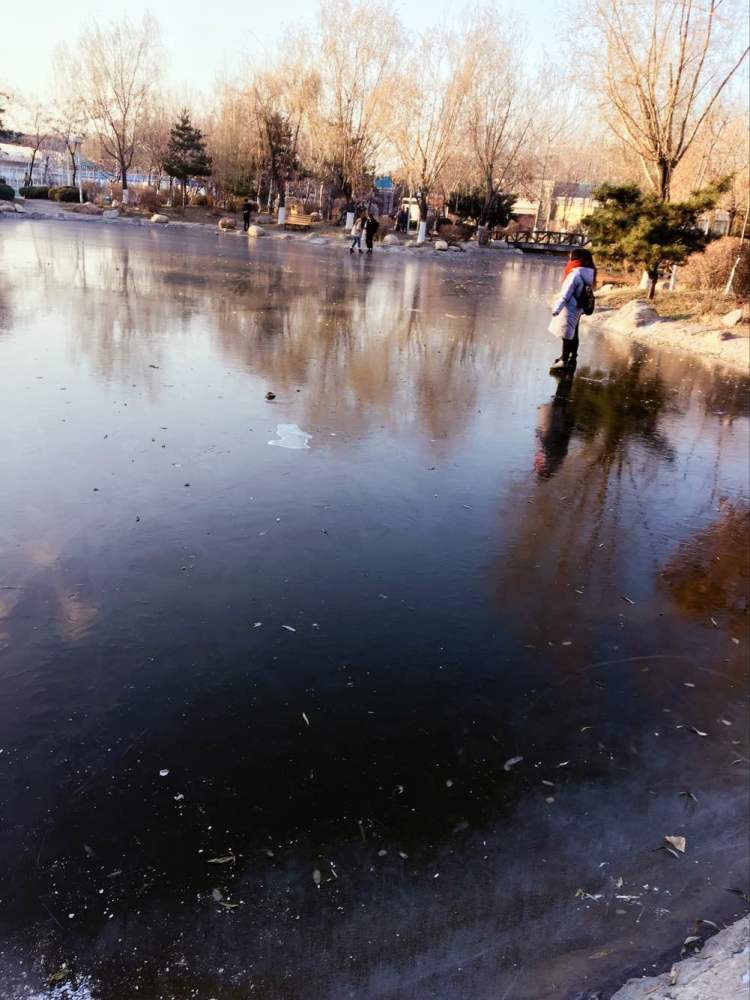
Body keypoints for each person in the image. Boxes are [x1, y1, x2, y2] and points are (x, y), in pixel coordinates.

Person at [548, 248, 597, 370]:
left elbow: (565, 293)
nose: (569, 259)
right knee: (573, 333)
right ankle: (572, 357)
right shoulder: (588, 272)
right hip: (578, 308)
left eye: (570, 257)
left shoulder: (574, 273)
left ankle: (564, 360)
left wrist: (556, 309)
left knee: (566, 334)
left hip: (570, 307)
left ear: (575, 258)